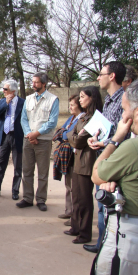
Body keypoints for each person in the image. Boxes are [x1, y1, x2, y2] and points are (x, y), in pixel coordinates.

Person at [89, 78, 138, 275]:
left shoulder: (136, 147)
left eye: (125, 110)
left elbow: (97, 174)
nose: (124, 116)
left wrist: (116, 139)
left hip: (130, 236)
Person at [85, 61, 128, 254]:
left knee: (113, 206)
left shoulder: (125, 100)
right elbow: (106, 129)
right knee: (102, 204)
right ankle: (102, 245)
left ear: (112, 76)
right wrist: (95, 139)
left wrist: (105, 142)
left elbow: (125, 133)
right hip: (102, 156)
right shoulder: (109, 100)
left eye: (101, 74)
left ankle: (111, 248)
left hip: (115, 160)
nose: (98, 78)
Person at [65, 86, 103, 244]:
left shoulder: (95, 118)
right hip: (77, 160)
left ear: (91, 98)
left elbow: (78, 141)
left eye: (82, 97)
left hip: (87, 162)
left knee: (85, 199)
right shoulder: (84, 117)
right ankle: (75, 226)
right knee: (76, 196)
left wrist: (70, 135)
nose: (79, 100)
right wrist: (72, 134)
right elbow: (73, 133)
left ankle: (85, 233)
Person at [17, 72, 59, 211]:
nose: (33, 84)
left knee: (42, 173)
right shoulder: (28, 99)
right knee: (27, 170)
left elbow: (52, 122)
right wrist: (30, 134)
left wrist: (36, 134)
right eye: (33, 82)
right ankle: (27, 198)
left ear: (43, 83)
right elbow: (23, 119)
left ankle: (41, 199)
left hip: (44, 141)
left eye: (36, 82)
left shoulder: (53, 99)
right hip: (28, 140)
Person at [0, 80, 24, 201]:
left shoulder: (23, 103)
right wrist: (5, 104)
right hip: (4, 136)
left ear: (13, 91)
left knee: (17, 165)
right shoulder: (2, 101)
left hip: (17, 136)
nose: (3, 91)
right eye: (3, 89)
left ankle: (15, 191)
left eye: (5, 89)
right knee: (0, 163)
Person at [53, 94, 84, 224]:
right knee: (68, 184)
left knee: (74, 187)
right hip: (68, 155)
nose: (70, 107)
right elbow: (61, 132)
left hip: (74, 155)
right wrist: (65, 134)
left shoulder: (82, 119)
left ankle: (76, 216)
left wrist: (65, 134)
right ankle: (69, 210)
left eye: (72, 105)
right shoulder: (72, 118)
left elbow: (69, 134)